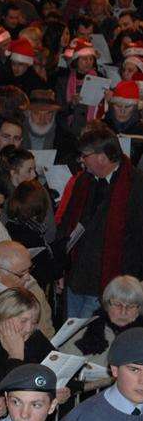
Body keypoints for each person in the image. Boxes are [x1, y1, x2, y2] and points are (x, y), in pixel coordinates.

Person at [57, 121, 143, 317]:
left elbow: (138, 244)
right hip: (77, 279)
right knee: (70, 337)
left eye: (85, 156)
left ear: (102, 158)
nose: (81, 160)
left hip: (111, 284)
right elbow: (67, 226)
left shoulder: (136, 187)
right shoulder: (83, 181)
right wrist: (61, 268)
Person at [0, 288, 61, 395]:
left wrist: (62, 389)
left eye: (34, 322)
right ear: (3, 316)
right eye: (23, 321)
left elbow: (57, 368)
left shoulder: (34, 337)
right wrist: (15, 357)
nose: (29, 328)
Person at [59, 275, 143, 380]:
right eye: (117, 304)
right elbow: (61, 367)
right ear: (107, 305)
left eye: (130, 306)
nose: (123, 311)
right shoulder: (88, 330)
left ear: (139, 309)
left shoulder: (140, 335)